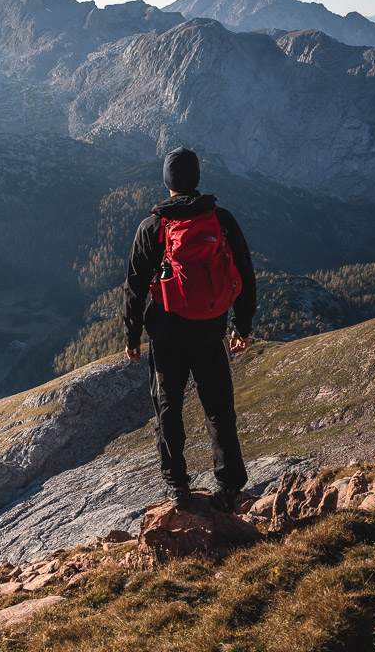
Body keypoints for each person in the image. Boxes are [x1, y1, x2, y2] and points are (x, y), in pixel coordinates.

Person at [123, 147, 257, 512]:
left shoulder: (153, 226)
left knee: (168, 409)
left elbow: (134, 286)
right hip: (210, 332)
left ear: (166, 182)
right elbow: (244, 273)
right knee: (218, 409)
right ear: (196, 179)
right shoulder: (221, 219)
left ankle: (177, 485)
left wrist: (132, 337)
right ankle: (230, 486)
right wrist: (242, 326)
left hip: (167, 335)